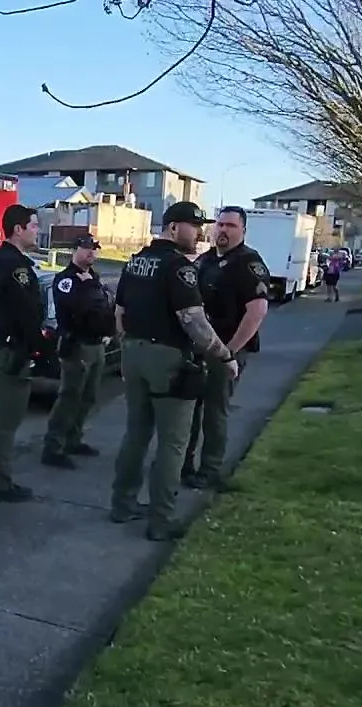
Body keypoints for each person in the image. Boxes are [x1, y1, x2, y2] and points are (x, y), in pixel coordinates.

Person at [111, 201, 239, 541]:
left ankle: (122, 504)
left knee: (136, 433)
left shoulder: (136, 261)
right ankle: (161, 520)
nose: (199, 233)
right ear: (173, 227)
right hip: (167, 358)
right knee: (173, 443)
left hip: (133, 352)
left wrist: (129, 345)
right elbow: (193, 321)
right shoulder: (179, 267)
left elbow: (119, 311)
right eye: (194, 226)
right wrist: (224, 355)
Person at [182, 206, 270, 492]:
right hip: (198, 349)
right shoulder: (205, 260)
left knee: (214, 413)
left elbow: (256, 312)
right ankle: (184, 464)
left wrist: (228, 352)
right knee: (189, 411)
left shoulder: (248, 263)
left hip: (226, 351)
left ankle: (209, 470)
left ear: (243, 230)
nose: (222, 230)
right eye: (220, 224)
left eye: (230, 226)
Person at [0, 204, 46, 502]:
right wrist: (39, 349)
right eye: (34, 225)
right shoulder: (16, 266)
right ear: (18, 229)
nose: (38, 231)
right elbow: (27, 313)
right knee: (7, 419)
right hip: (10, 349)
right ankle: (1, 482)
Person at [42, 234, 115, 468]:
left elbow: (103, 308)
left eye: (94, 248)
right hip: (76, 346)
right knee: (69, 397)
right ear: (75, 251)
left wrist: (109, 331)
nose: (92, 253)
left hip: (96, 345)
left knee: (88, 397)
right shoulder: (67, 279)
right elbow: (76, 308)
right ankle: (53, 446)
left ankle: (73, 438)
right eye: (86, 248)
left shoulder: (93, 277)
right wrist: (88, 286)